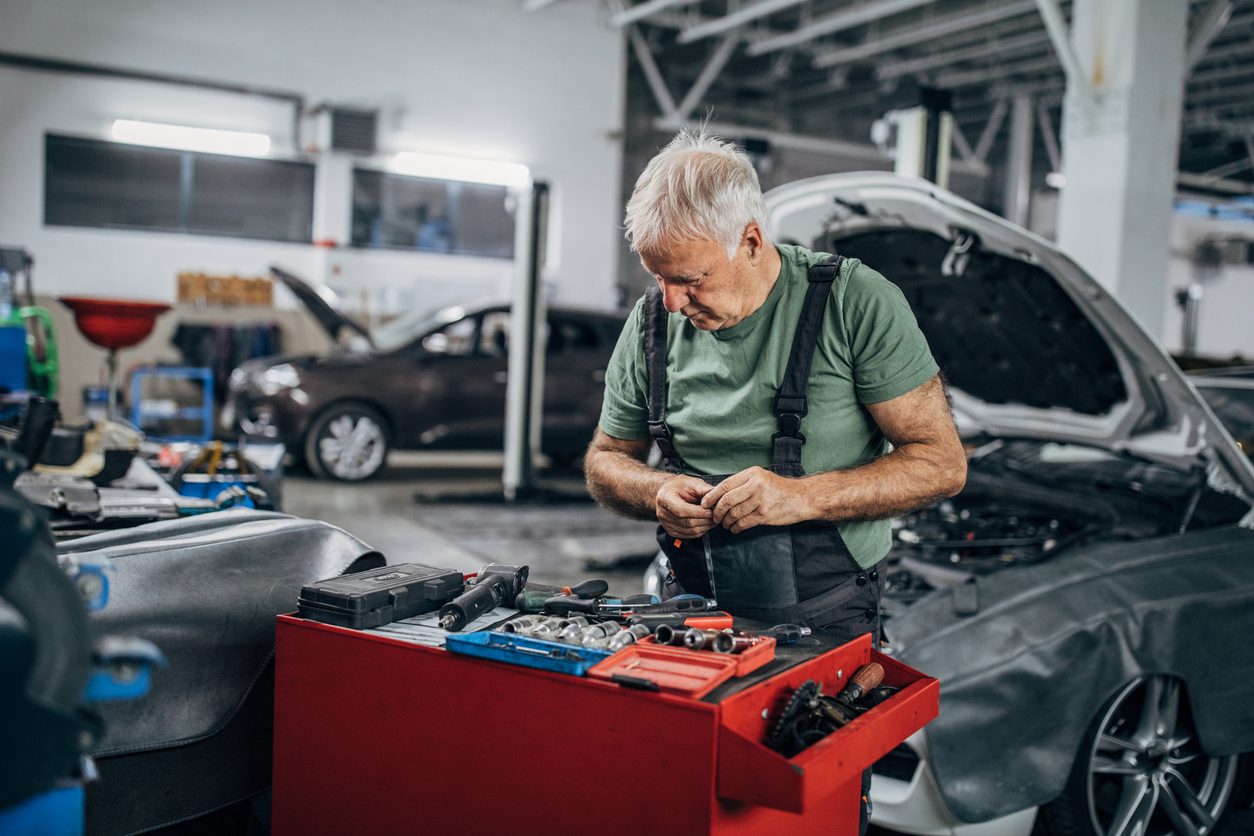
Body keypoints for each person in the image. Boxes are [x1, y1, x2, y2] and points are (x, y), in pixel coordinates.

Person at [585, 128, 965, 832]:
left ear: (752, 242)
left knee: (804, 811)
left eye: (689, 279)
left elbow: (941, 463)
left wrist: (801, 496)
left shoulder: (854, 303)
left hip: (824, 617)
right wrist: (653, 492)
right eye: (657, 278)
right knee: (687, 800)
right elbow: (606, 459)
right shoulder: (651, 324)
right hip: (687, 611)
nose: (671, 301)